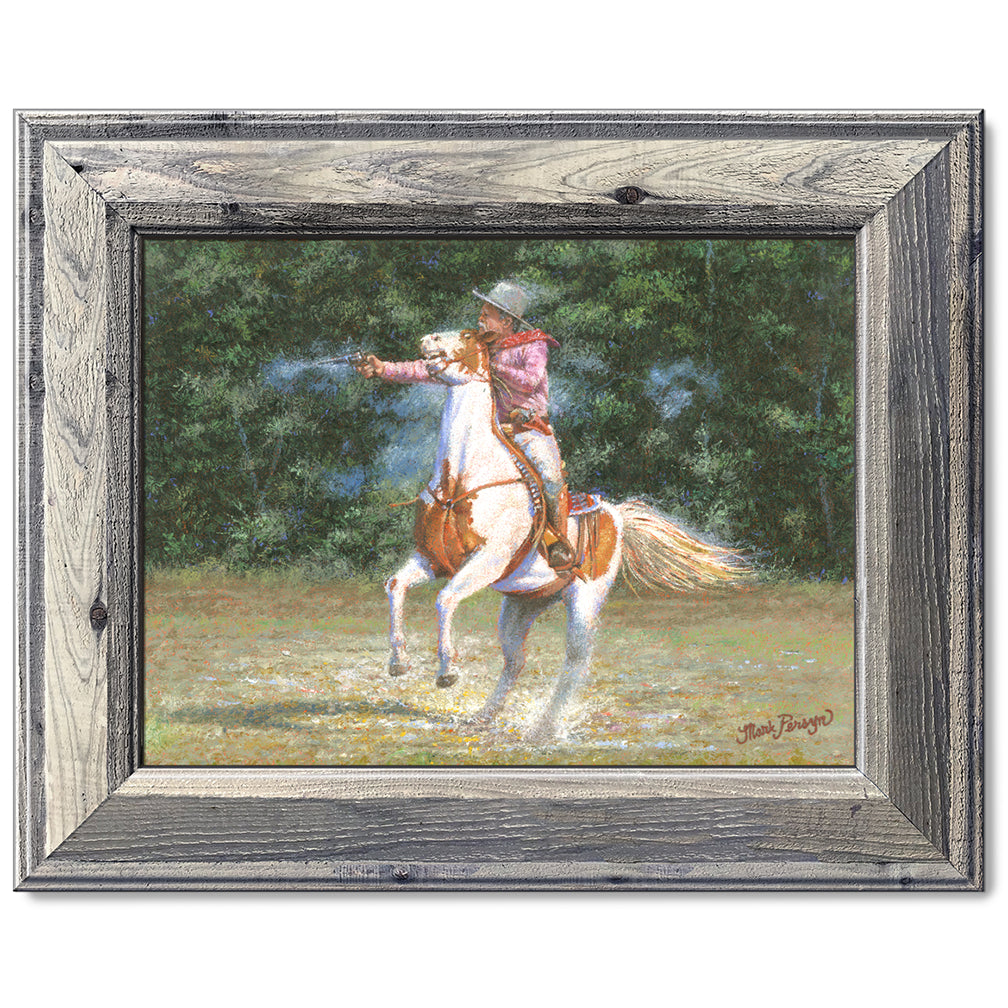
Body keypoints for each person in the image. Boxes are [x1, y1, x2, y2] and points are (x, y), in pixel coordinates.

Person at [355, 281, 575, 569]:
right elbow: (430, 369)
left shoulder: (533, 344)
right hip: (490, 431)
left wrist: (489, 365)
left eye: (486, 314)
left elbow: (530, 380)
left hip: (527, 429)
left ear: (506, 321)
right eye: (481, 313)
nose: (479, 318)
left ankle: (558, 541)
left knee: (550, 475)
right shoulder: (476, 347)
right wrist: (385, 368)